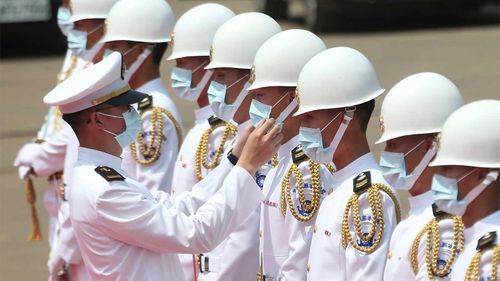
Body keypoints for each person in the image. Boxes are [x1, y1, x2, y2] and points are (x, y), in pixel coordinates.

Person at [42, 52, 282, 281]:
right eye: (124, 108)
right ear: (98, 120)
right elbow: (195, 234)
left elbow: (180, 206)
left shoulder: (101, 176)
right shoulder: (105, 191)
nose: (133, 113)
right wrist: (246, 168)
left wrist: (232, 161)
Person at [190, 12, 281, 281]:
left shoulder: (264, 149)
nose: (213, 87)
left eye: (222, 77)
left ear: (252, 82)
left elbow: (243, 241)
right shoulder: (236, 138)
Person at [300, 47, 401, 280]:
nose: (303, 126)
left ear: (349, 118)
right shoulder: (340, 182)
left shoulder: (368, 197)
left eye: (310, 117)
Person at [245, 29, 330, 281]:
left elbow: (297, 265)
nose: (253, 101)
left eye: (260, 95)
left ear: (294, 98)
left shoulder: (307, 170)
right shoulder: (280, 161)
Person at [166, 4, 235, 279]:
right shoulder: (202, 127)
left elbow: (225, 221)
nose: (178, 71)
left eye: (184, 64)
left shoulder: (222, 133)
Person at [380, 73, 465, 280]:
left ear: (430, 146)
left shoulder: (443, 228)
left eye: (393, 145)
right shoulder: (418, 215)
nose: (386, 153)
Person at [102, 0, 182, 193]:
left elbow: (151, 195)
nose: (106, 55)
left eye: (114, 47)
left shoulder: (154, 113)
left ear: (140, 51)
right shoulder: (132, 104)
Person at [426, 100, 499, 281]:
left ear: (481, 174)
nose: (438, 175)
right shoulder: (473, 241)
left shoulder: (491, 258)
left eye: (447, 168)